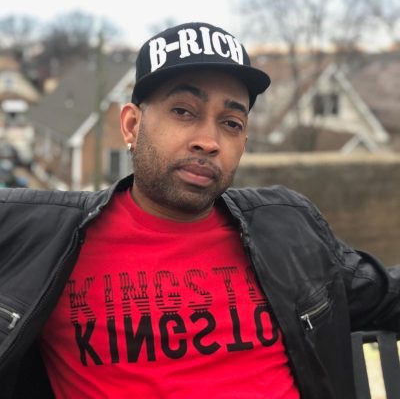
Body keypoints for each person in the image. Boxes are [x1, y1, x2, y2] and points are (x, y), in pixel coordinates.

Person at [0, 21, 399, 399]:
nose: (209, 141)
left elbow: (385, 294)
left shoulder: (289, 230)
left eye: (231, 122)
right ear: (132, 125)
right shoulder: (38, 240)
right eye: (183, 111)